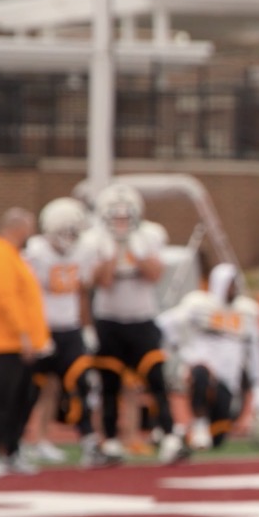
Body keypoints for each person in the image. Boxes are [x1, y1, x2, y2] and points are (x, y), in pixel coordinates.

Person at [82, 183, 184, 463]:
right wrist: (113, 252)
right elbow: (102, 282)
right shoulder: (95, 240)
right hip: (109, 321)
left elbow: (154, 275)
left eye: (126, 216)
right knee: (109, 384)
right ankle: (111, 442)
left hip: (142, 319)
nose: (121, 222)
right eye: (116, 217)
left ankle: (170, 437)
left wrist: (134, 251)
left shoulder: (148, 236)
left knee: (157, 381)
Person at [25, 197, 121, 468]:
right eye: (64, 231)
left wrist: (86, 326)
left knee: (81, 383)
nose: (69, 238)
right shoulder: (35, 252)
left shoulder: (84, 251)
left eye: (73, 232)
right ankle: (22, 442)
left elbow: (85, 288)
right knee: (33, 390)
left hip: (70, 330)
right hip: (42, 331)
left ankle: (89, 441)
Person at [156, 263, 259, 453]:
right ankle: (198, 425)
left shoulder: (246, 311)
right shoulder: (200, 306)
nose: (233, 289)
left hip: (228, 382)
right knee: (201, 373)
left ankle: (180, 434)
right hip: (200, 373)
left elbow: (255, 351)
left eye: (235, 284)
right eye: (229, 284)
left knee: (217, 439)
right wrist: (179, 349)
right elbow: (164, 323)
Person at [0, 207, 53, 477]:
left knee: (23, 398)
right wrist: (24, 334)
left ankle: (12, 450)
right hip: (2, 342)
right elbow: (5, 297)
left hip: (19, 342)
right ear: (19, 228)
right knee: (2, 400)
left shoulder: (14, 255)